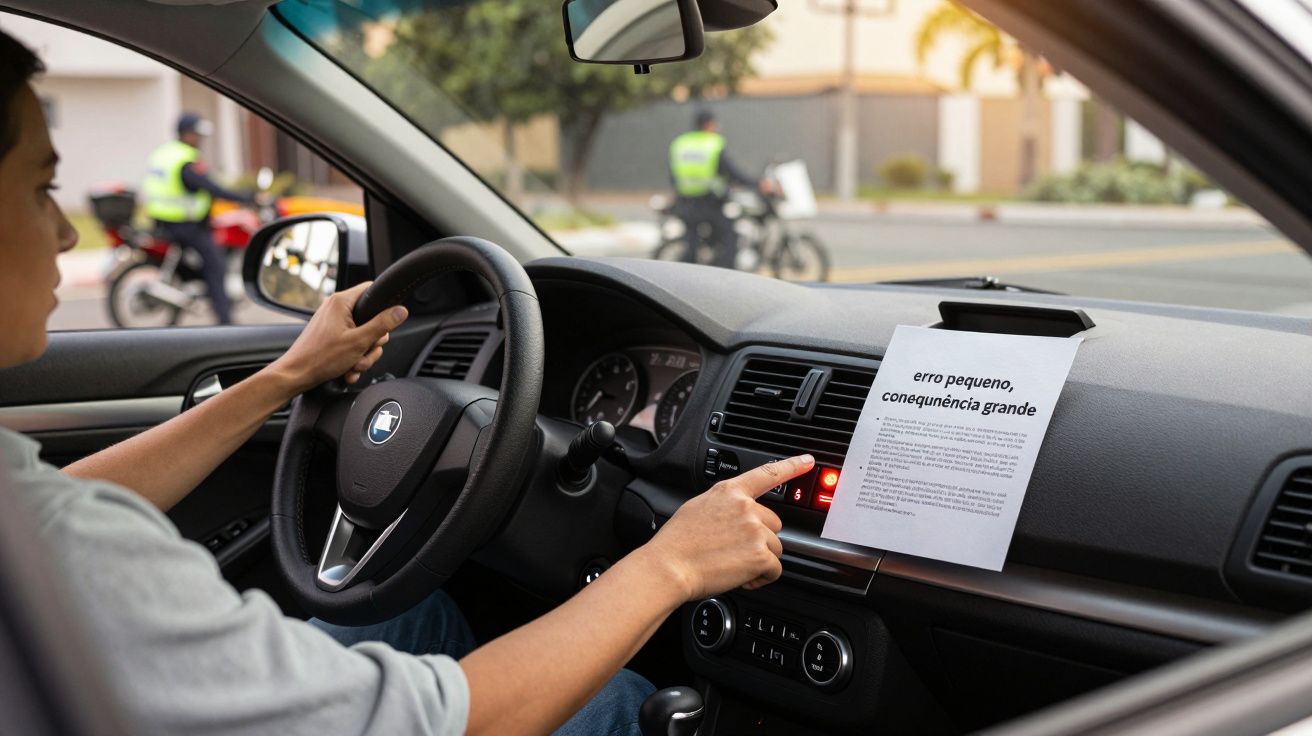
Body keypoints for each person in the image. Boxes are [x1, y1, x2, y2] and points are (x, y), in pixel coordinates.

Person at [0, 31, 812, 735]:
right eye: (42, 190)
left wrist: (288, 377)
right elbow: (443, 724)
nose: (68, 230)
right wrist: (671, 566)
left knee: (402, 612)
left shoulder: (31, 515)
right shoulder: (68, 555)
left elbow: (60, 498)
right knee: (628, 707)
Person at [142, 111, 256, 325]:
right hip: (183, 224)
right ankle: (225, 321)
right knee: (216, 264)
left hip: (161, 220)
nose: (200, 139)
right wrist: (243, 197)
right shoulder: (185, 159)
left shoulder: (164, 153)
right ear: (186, 134)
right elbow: (209, 186)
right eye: (197, 134)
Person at [668, 109, 759, 268]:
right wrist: (757, 183)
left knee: (692, 244)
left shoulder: (680, 143)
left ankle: (686, 277)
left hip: (684, 202)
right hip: (708, 202)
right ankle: (724, 276)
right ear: (708, 124)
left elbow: (673, 174)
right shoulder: (712, 143)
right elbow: (731, 172)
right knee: (730, 237)